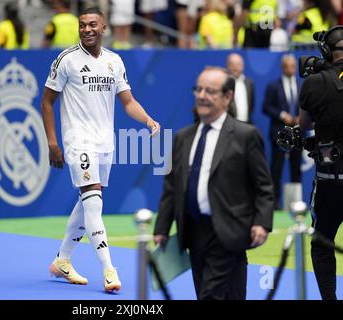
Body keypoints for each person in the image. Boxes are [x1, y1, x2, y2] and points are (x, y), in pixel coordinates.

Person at [41, 7, 160, 293]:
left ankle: (62, 260)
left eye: (93, 24)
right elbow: (46, 102)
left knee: (87, 204)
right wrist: (53, 143)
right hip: (77, 141)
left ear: (104, 27)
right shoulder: (66, 60)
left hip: (105, 142)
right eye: (82, 25)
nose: (87, 29)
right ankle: (109, 269)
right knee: (94, 203)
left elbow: (128, 101)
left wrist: (147, 119)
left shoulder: (114, 62)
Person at [154, 66, 274, 300]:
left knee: (211, 295)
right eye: (198, 89)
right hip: (193, 232)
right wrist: (161, 229)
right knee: (221, 293)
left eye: (210, 91)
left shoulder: (245, 135)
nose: (201, 96)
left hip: (230, 230)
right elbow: (172, 188)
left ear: (227, 97)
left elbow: (264, 186)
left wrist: (262, 222)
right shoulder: (182, 138)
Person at [299, 25, 343, 300]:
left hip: (330, 181)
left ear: (326, 50)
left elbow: (303, 125)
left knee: (323, 242)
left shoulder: (314, 82)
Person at [263, 54, 302, 210]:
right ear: (282, 67)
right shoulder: (273, 86)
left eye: (293, 66)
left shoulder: (301, 85)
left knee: (296, 168)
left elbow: (306, 105)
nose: (290, 69)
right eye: (287, 66)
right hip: (279, 133)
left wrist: (302, 117)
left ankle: (297, 203)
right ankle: (275, 203)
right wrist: (282, 115)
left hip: (298, 133)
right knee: (276, 169)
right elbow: (266, 107)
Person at [226, 53, 255, 123]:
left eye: (238, 64)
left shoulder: (249, 82)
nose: (235, 67)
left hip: (247, 123)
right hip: (229, 124)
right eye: (232, 64)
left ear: (243, 66)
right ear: (227, 66)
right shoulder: (224, 82)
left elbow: (251, 104)